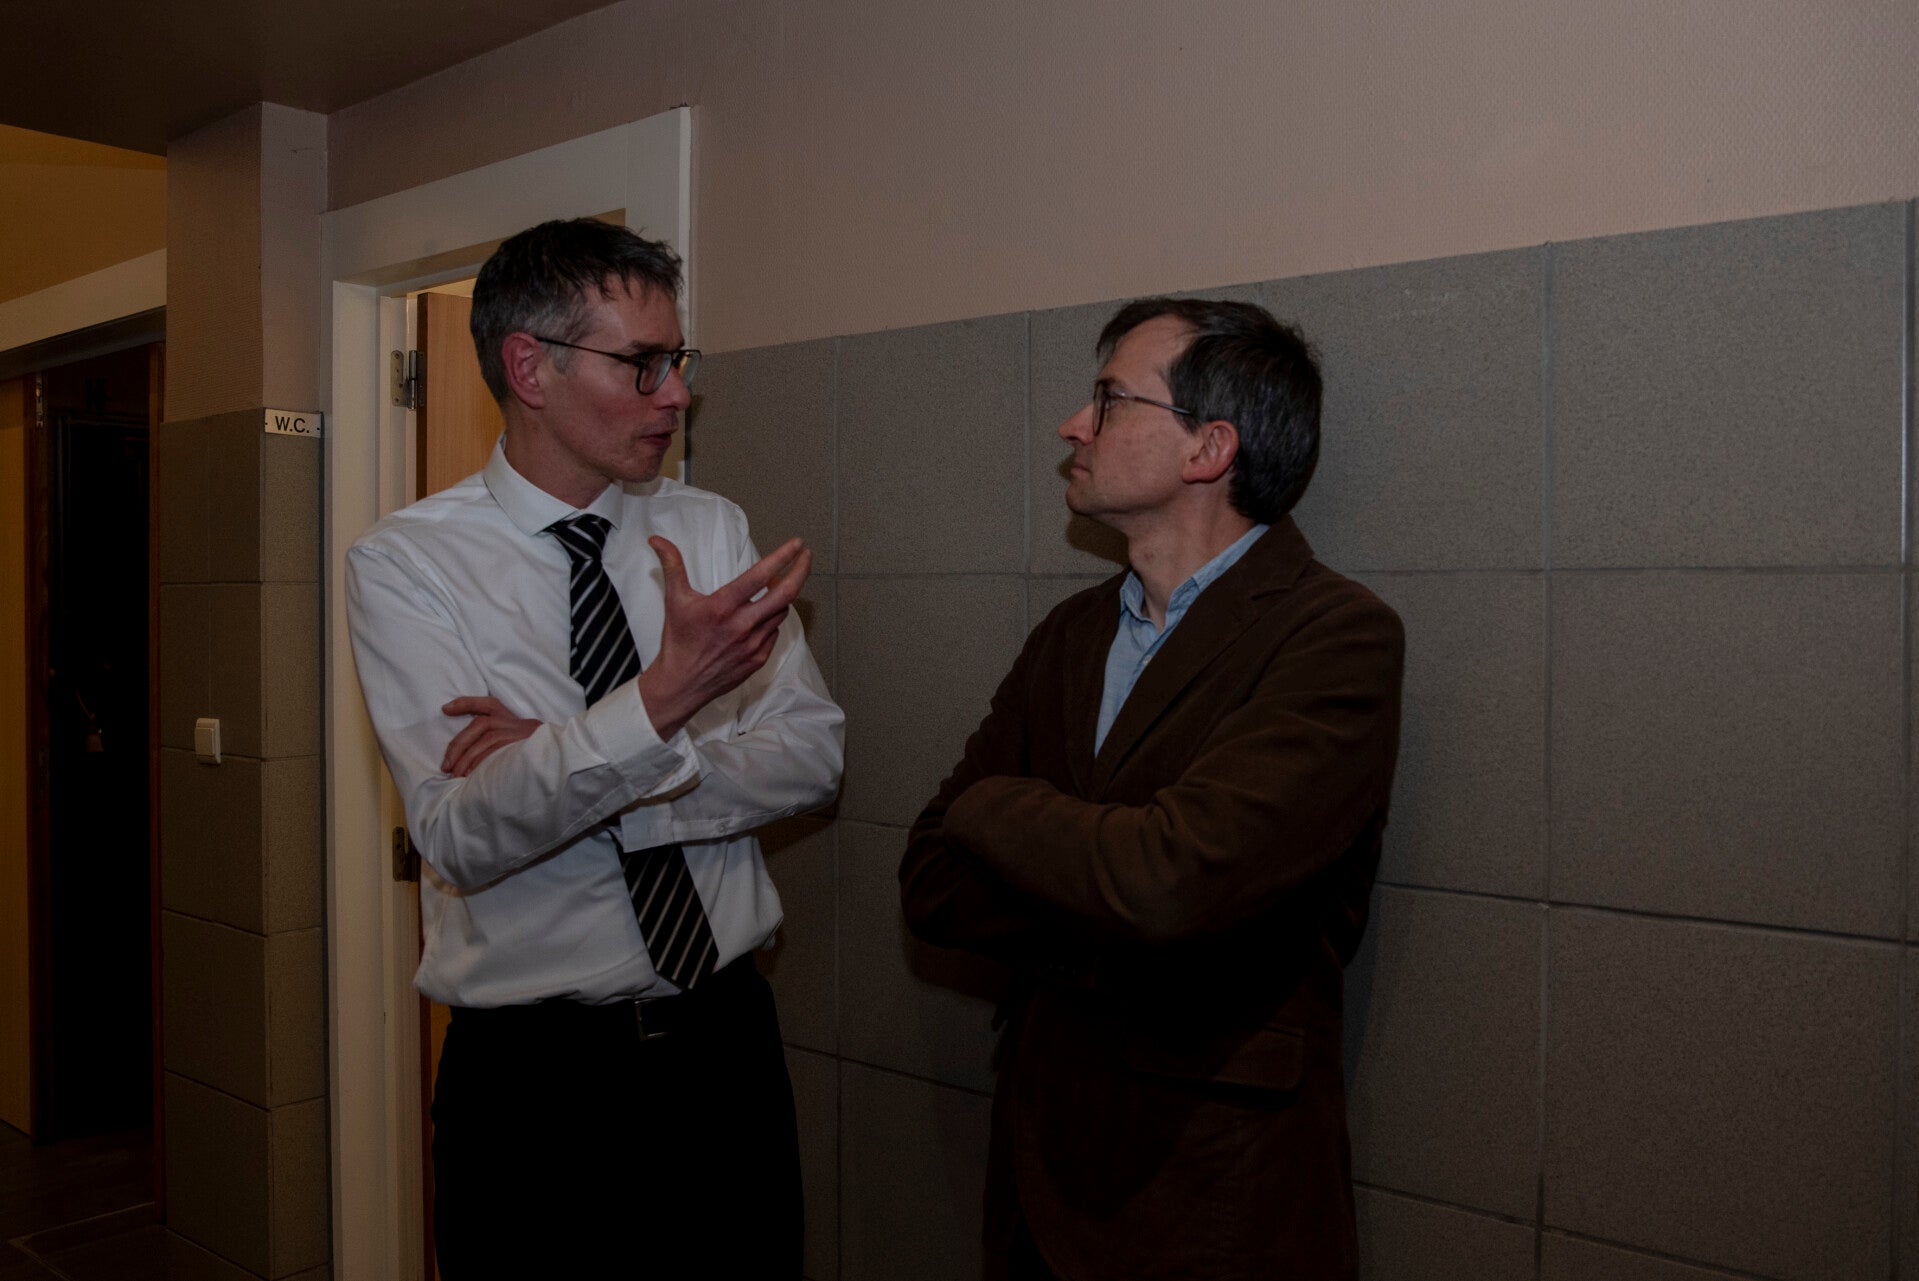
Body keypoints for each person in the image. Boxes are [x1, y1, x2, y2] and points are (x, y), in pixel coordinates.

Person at [346, 218, 843, 1277]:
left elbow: (811, 758)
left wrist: (582, 757)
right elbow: (462, 835)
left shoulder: (707, 529)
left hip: (725, 1048)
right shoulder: (407, 565)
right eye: (643, 363)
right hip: (536, 1087)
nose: (677, 395)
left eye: (678, 361)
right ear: (530, 367)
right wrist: (662, 702)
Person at [900, 298, 1404, 1280]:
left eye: (1107, 400)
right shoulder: (1070, 634)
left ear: (1208, 448)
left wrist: (988, 809)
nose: (1072, 426)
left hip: (1212, 1194)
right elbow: (928, 878)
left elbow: (1170, 882)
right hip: (1037, 1177)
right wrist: (1121, 910)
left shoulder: (1334, 637)